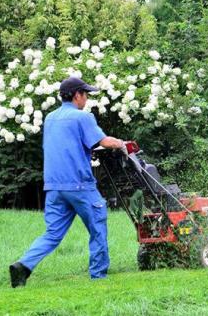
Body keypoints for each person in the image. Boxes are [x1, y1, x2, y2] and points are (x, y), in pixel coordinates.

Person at [9, 76, 125, 287]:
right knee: (97, 225)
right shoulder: (82, 118)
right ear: (76, 95)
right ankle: (99, 276)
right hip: (79, 184)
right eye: (86, 94)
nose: (87, 99)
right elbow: (104, 141)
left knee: (52, 234)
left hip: (54, 186)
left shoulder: (51, 118)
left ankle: (23, 266)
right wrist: (122, 143)